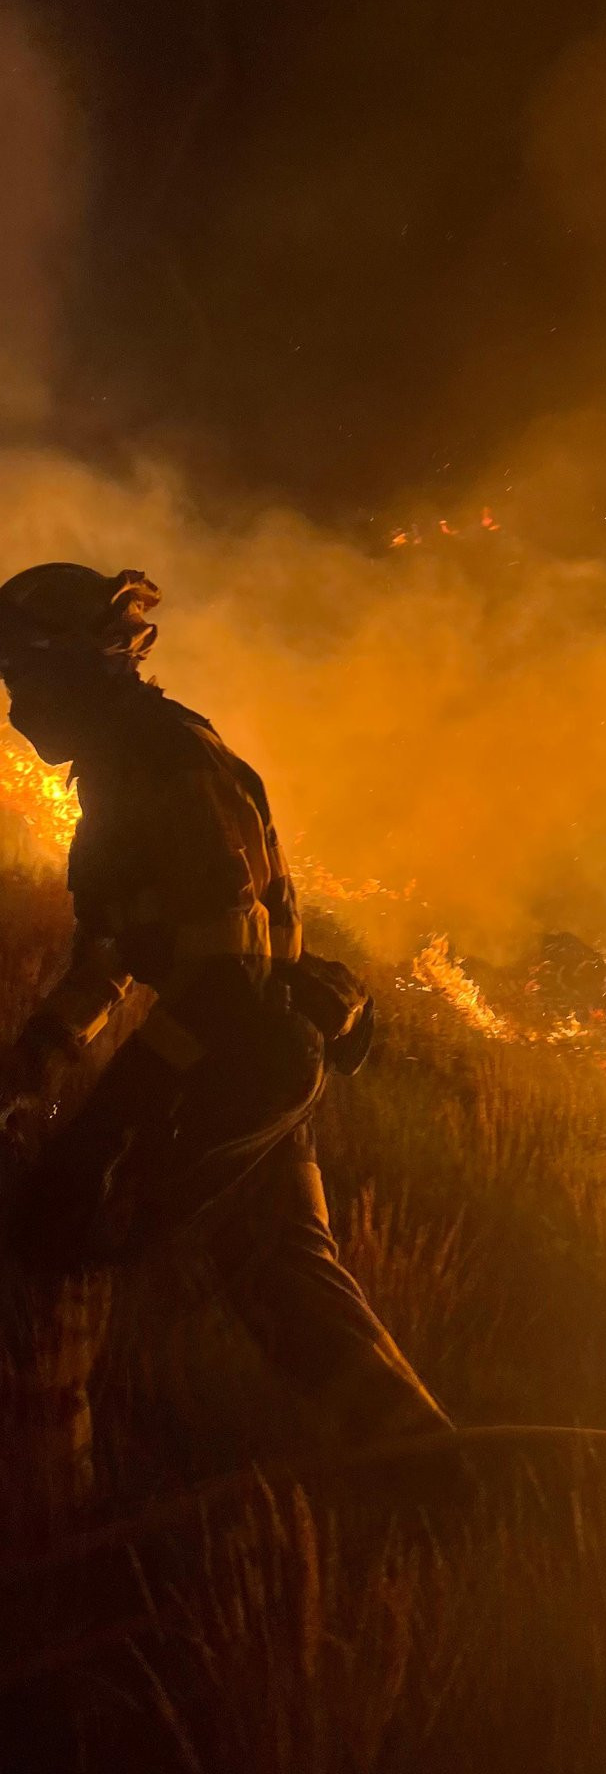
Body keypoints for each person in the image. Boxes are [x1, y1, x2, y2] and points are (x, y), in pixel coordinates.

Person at [0, 561, 448, 1504]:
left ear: (85, 669)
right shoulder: (126, 768)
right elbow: (117, 954)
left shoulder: (165, 764)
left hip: (247, 1058)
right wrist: (34, 1061)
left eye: (25, 681)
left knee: (61, 1229)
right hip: (257, 1057)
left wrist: (113, 1126)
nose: (13, 709)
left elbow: (228, 976)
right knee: (286, 1278)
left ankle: (50, 1501)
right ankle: (438, 1479)